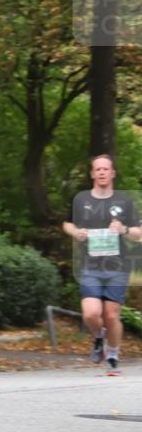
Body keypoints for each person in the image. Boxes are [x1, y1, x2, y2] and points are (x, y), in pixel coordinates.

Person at [62, 155, 141, 376]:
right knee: (90, 313)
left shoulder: (124, 201)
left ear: (113, 173)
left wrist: (124, 230)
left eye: (106, 169)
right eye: (98, 169)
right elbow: (67, 223)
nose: (102, 172)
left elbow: (139, 234)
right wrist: (76, 232)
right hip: (90, 265)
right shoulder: (82, 200)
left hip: (117, 267)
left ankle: (113, 356)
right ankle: (99, 337)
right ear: (92, 174)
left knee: (111, 315)